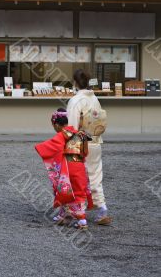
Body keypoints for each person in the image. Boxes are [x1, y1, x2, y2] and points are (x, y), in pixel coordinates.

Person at [35, 108, 93, 230]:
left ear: (56, 124)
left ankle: (82, 220)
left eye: (53, 125)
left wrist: (38, 147)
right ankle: (66, 215)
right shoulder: (78, 132)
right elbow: (85, 152)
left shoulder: (62, 135)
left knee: (66, 190)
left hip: (68, 166)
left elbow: (51, 148)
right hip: (80, 165)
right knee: (79, 190)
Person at [67, 69, 111, 225]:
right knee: (95, 175)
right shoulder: (95, 99)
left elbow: (71, 127)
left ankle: (79, 210)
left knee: (78, 177)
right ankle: (102, 209)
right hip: (96, 141)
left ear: (75, 82)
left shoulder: (76, 100)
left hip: (80, 141)